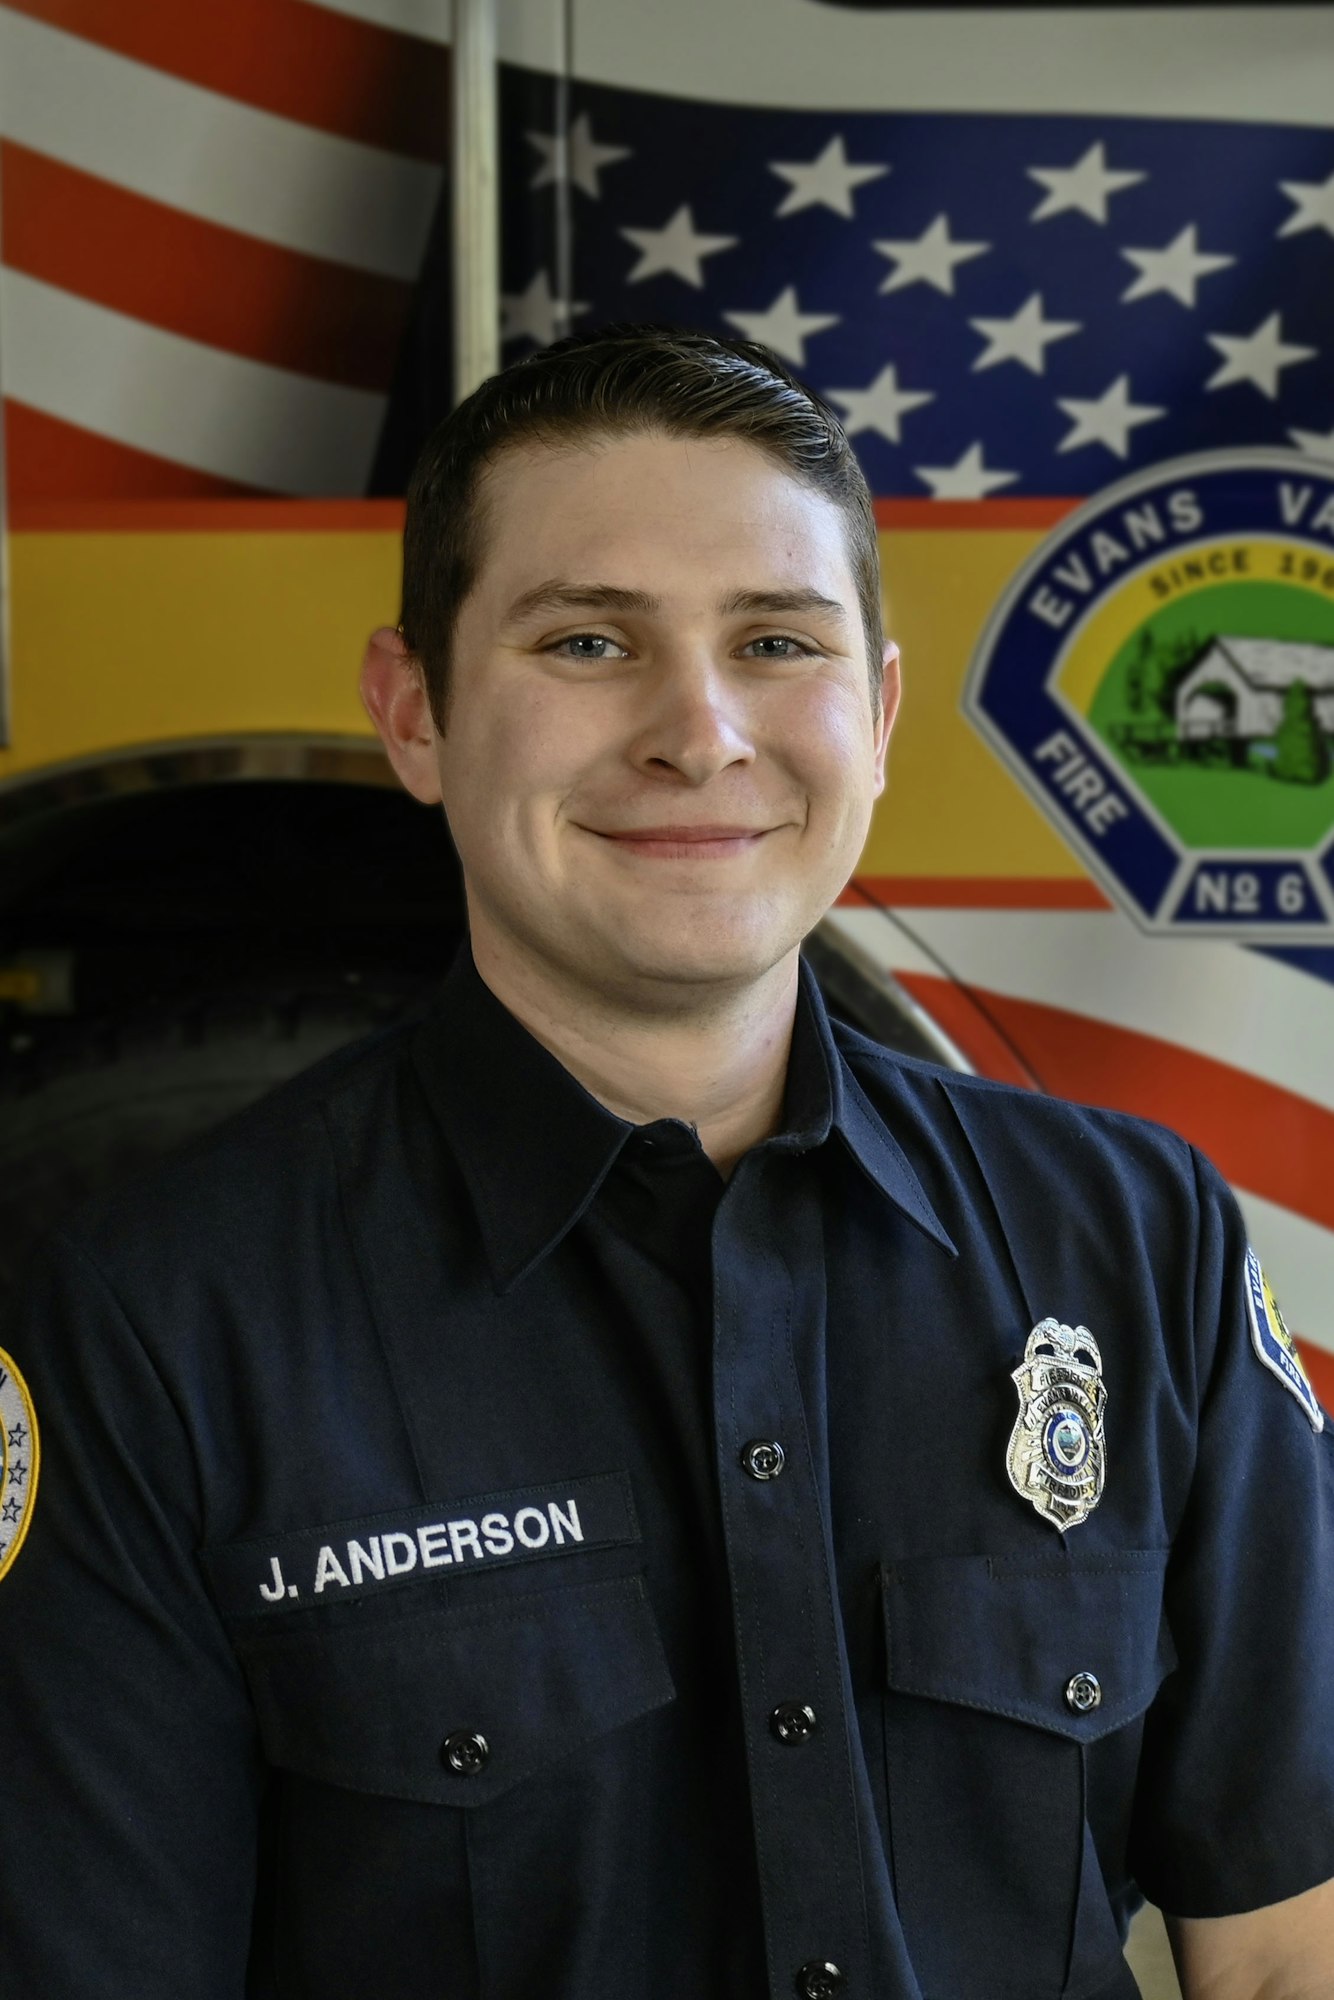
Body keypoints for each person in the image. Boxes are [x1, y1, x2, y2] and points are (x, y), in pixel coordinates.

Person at [1, 326, 1331, 2000]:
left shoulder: (1142, 1247)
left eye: (775, 640)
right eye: (584, 640)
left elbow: (1287, 1947)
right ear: (413, 714)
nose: (699, 732)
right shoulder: (151, 1331)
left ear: (879, 710)